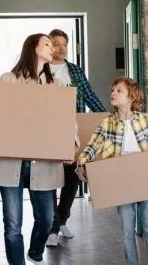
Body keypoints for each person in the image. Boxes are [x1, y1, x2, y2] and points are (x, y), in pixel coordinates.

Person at [0, 33, 77, 264]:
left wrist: (71, 144)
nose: (53, 48)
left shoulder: (56, 86)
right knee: (12, 225)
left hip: (43, 165)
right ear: (33, 48)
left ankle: (36, 251)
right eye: (47, 44)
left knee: (46, 219)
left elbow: (68, 121)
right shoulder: (8, 80)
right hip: (10, 164)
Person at [75, 77, 148, 265]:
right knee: (127, 231)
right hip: (122, 181)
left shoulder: (145, 120)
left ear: (131, 96)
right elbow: (92, 146)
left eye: (118, 91)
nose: (113, 93)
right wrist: (81, 164)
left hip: (146, 180)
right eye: (112, 90)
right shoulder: (107, 123)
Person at [45, 29, 106, 247]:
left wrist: (107, 118)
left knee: (72, 181)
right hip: (46, 132)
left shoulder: (75, 71)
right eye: (55, 43)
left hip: (73, 133)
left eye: (64, 44)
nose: (60, 48)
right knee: (49, 180)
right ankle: (53, 227)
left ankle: (61, 221)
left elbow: (89, 96)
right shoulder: (38, 71)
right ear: (48, 45)